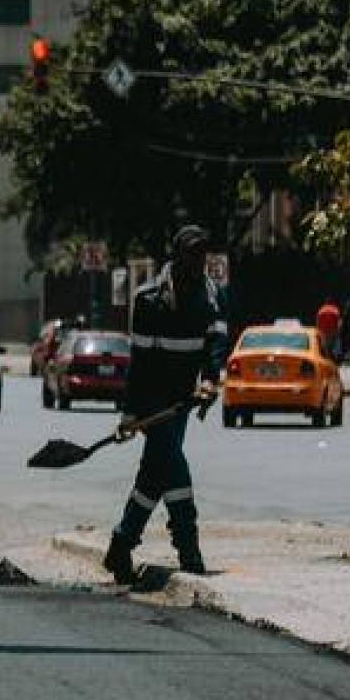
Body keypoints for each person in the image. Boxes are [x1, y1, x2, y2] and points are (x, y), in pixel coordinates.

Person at [102, 225, 229, 584]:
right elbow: (139, 363)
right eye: (192, 254)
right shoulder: (149, 299)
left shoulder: (213, 296)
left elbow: (215, 343)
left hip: (181, 401)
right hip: (153, 400)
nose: (198, 262)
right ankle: (188, 551)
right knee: (175, 470)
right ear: (177, 256)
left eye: (203, 255)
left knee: (154, 474)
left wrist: (209, 379)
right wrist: (130, 414)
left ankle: (121, 546)